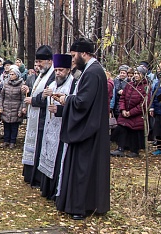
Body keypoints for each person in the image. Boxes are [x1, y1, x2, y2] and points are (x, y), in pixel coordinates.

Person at [56, 38, 110, 220]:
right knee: (83, 167)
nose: (72, 60)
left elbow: (83, 102)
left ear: (84, 54)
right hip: (89, 127)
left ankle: (80, 206)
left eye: (73, 55)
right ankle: (81, 204)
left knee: (83, 169)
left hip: (88, 130)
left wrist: (66, 99)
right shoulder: (90, 71)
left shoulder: (93, 73)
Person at [37, 54, 73, 200]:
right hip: (49, 129)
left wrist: (59, 111)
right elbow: (40, 99)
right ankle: (46, 189)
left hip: (61, 130)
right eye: (56, 70)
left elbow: (74, 107)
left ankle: (54, 191)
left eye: (61, 70)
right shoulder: (52, 84)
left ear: (68, 71)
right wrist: (44, 95)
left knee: (58, 160)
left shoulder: (72, 85)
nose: (58, 73)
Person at [22, 45, 55, 188]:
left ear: (49, 61)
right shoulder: (42, 74)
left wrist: (33, 100)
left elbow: (48, 96)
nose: (38, 64)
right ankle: (30, 176)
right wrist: (29, 91)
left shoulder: (53, 75)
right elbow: (38, 91)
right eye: (37, 61)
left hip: (44, 118)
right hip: (36, 118)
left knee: (39, 148)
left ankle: (37, 178)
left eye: (40, 61)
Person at [110, 65, 149, 158]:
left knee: (134, 132)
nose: (135, 75)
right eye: (135, 73)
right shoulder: (129, 85)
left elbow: (143, 104)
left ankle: (134, 151)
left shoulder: (146, 88)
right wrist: (123, 109)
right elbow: (122, 98)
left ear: (143, 75)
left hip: (136, 115)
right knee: (122, 129)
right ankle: (120, 149)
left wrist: (131, 112)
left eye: (138, 73)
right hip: (125, 112)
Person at [0, 65, 26, 149]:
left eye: (13, 74)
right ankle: (6, 140)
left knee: (14, 126)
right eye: (10, 74)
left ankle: (12, 141)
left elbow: (23, 98)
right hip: (6, 107)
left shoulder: (22, 84)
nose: (11, 76)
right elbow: (1, 96)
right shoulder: (6, 83)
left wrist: (21, 109)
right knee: (6, 125)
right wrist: (1, 106)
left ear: (17, 75)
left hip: (16, 107)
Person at [150, 68, 161, 155]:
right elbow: (153, 97)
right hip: (158, 111)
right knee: (159, 130)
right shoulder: (158, 84)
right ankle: (159, 148)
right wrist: (152, 108)